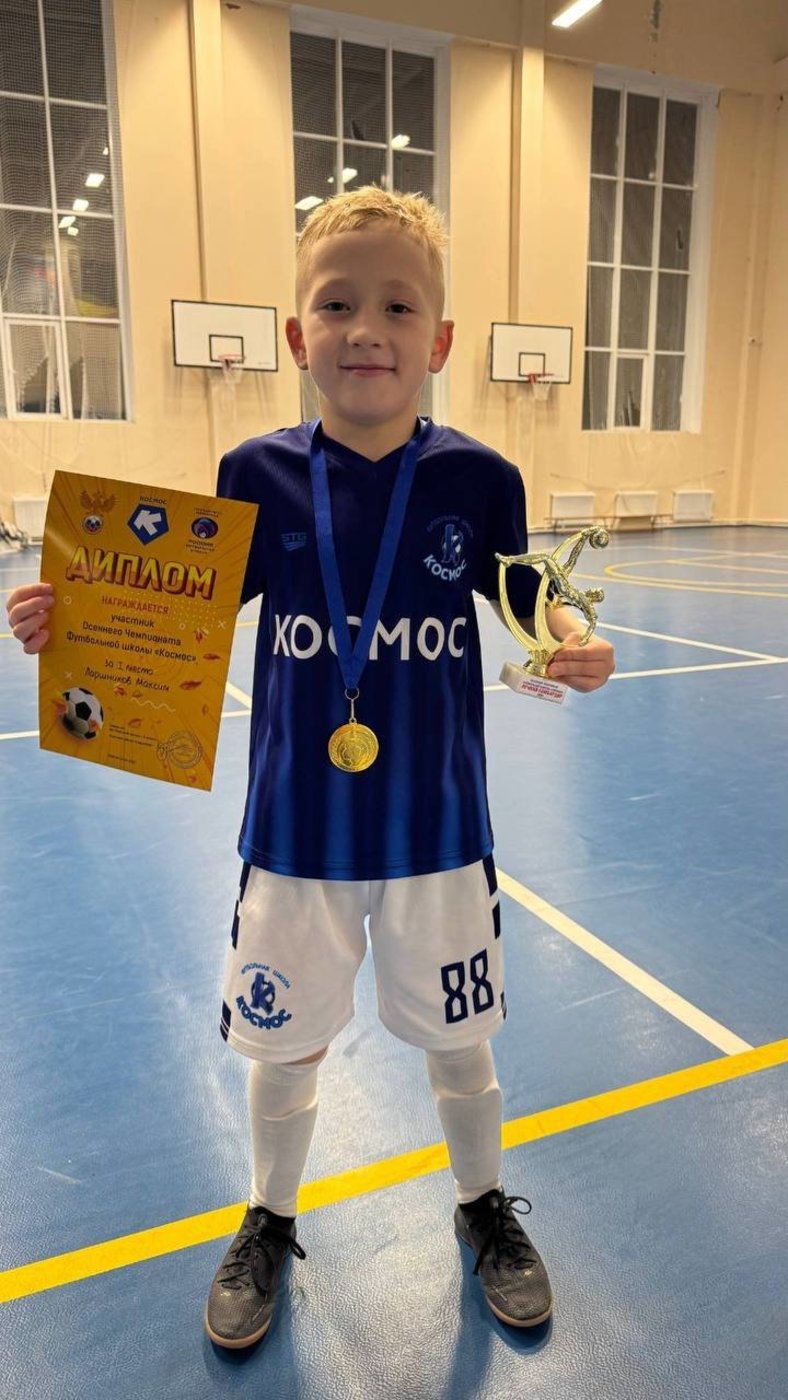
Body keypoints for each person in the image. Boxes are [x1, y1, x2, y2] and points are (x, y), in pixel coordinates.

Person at [6, 187, 615, 1350]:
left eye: (396, 306)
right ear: (295, 335)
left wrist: (571, 641)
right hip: (294, 831)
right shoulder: (254, 471)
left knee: (460, 1036)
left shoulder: (480, 478)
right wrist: (67, 620)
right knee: (279, 1043)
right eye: (336, 305)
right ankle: (268, 1214)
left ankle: (481, 1202)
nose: (364, 329)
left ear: (439, 339)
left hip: (437, 829)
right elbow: (177, 609)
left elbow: (525, 598)